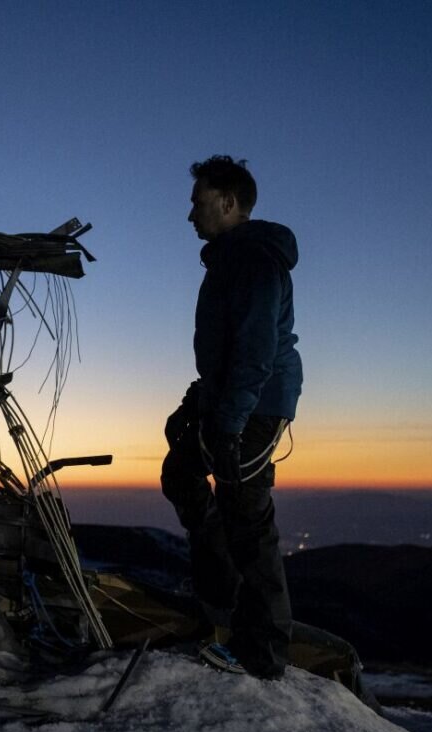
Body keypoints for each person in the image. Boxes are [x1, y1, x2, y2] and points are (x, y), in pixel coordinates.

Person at [161, 155, 302, 679]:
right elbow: (226, 351)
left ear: (228, 203)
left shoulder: (254, 261)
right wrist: (196, 403)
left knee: (246, 512)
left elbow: (255, 353)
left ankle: (261, 651)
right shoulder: (230, 259)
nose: (190, 215)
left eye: (197, 203)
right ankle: (222, 598)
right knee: (182, 474)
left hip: (256, 404)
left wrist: (229, 423)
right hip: (231, 398)